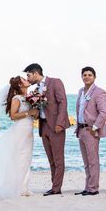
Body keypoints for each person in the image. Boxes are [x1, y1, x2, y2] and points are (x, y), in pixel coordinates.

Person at [24, 63, 70, 196]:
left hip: (56, 126)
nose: (28, 78)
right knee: (51, 159)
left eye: (28, 75)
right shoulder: (36, 88)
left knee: (58, 159)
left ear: (35, 73)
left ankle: (57, 188)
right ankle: (53, 185)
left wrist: (60, 123)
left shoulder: (55, 82)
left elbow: (63, 102)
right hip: (43, 126)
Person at [74, 66, 106, 196]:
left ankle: (93, 188)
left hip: (91, 130)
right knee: (86, 161)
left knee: (93, 160)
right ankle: (87, 187)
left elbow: (104, 112)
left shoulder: (99, 92)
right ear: (81, 77)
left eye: (90, 75)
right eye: (85, 75)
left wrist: (95, 128)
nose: (87, 77)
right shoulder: (81, 91)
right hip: (81, 129)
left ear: (94, 77)